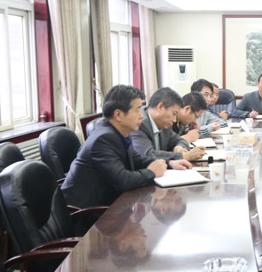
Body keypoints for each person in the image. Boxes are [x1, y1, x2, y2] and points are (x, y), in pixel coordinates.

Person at [61, 85, 192, 208]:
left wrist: (169, 163)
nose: (141, 115)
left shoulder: (119, 132)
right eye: (137, 110)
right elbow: (123, 180)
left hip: (107, 203)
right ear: (118, 114)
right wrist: (152, 172)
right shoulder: (103, 139)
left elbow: (136, 159)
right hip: (86, 212)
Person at [130, 87, 205, 162]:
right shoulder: (139, 123)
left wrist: (179, 147)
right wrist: (184, 156)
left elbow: (180, 140)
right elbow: (147, 155)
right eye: (174, 114)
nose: (175, 120)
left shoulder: (163, 124)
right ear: (160, 107)